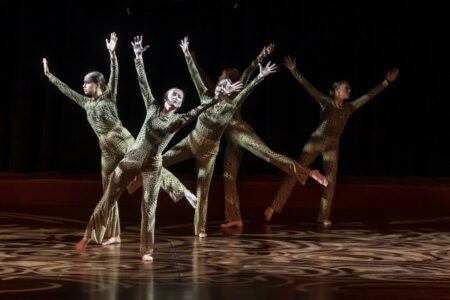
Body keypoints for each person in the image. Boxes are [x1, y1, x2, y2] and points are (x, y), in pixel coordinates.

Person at [76, 35, 222, 261]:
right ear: (166, 97)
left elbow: (196, 112)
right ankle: (88, 235)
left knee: (149, 208)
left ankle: (147, 251)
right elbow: (143, 83)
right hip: (132, 158)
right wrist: (137, 57)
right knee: (109, 196)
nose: (177, 97)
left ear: (180, 104)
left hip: (153, 164)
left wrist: (214, 100)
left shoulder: (179, 119)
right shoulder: (153, 107)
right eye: (174, 93)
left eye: (180, 97)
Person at [191, 45, 328, 228]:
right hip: (231, 140)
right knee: (228, 175)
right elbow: (203, 78)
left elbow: (247, 73)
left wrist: (259, 57)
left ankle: (309, 172)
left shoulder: (236, 91)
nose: (219, 81)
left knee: (269, 155)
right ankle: (234, 217)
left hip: (242, 132)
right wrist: (193, 61)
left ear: (230, 81)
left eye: (223, 78)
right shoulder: (215, 92)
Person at [162, 37, 276, 237]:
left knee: (202, 191)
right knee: (158, 161)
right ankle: (132, 182)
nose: (219, 87)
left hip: (209, 153)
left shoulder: (230, 108)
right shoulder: (206, 95)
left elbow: (246, 91)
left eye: (225, 87)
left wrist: (260, 77)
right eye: (219, 85)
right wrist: (187, 55)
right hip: (191, 141)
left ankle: (200, 228)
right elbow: (196, 75)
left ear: (229, 92)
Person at [266, 55, 399, 226]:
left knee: (330, 181)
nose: (349, 91)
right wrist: (294, 71)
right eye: (346, 89)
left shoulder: (349, 108)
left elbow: (368, 96)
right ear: (337, 91)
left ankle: (323, 217)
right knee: (295, 172)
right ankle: (273, 207)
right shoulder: (326, 102)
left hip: (332, 146)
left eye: (349, 89)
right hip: (315, 143)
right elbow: (309, 88)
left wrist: (386, 82)